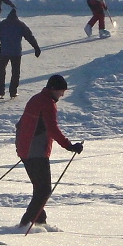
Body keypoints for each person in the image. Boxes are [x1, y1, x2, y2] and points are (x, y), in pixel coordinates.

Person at [16, 75, 83, 227]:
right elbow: (52, 129)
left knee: (40, 189)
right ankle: (25, 224)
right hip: (36, 152)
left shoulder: (36, 99)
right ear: (53, 89)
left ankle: (39, 222)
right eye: (61, 91)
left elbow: (21, 124)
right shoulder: (47, 103)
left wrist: (23, 148)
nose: (62, 94)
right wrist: (69, 145)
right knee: (44, 191)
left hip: (26, 150)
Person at [0, 9, 41, 99]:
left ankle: (0, 90)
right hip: (16, 53)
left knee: (1, 71)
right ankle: (13, 91)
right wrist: (36, 48)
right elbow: (29, 36)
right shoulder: (20, 25)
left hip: (4, 52)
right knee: (15, 72)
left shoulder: (3, 24)